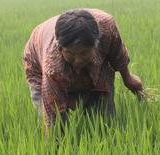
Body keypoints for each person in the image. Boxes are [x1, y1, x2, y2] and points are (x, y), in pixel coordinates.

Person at [23, 8, 144, 136]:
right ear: (60, 48)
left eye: (84, 53)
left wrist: (128, 78)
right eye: (70, 53)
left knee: (104, 118)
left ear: (96, 45)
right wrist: (57, 149)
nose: (78, 60)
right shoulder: (52, 67)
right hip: (38, 63)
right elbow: (53, 116)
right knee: (56, 125)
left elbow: (117, 54)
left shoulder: (107, 28)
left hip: (95, 63)